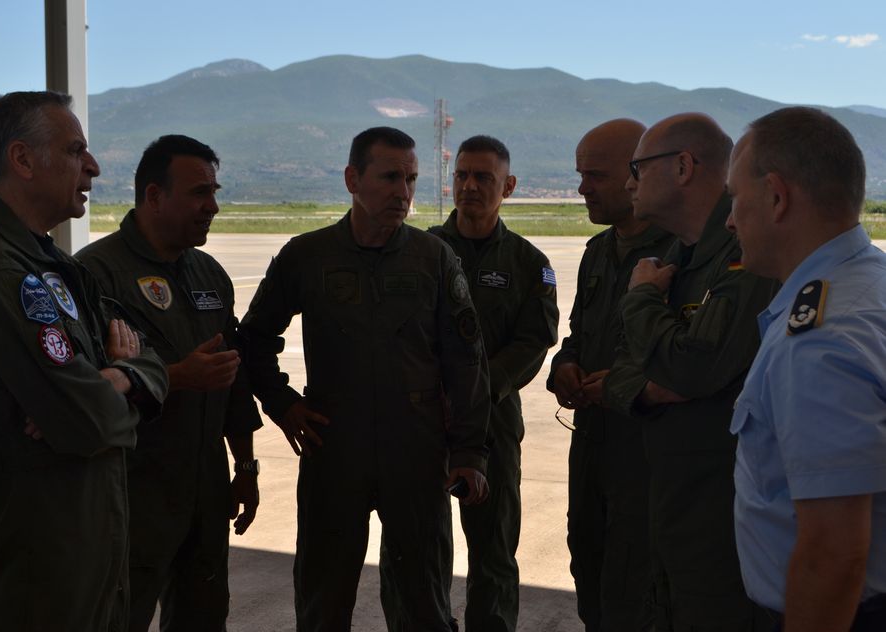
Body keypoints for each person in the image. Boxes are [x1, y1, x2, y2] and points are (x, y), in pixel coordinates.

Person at [238, 126, 491, 632]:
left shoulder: (434, 258)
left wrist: (469, 452)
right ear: (353, 179)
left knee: (424, 601)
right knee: (323, 601)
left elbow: (467, 361)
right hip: (334, 449)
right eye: (390, 177)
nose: (403, 192)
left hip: (416, 453)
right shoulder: (307, 256)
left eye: (411, 180)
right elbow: (253, 339)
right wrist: (283, 403)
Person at [0, 91, 168, 631]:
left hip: (86, 548)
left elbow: (152, 358)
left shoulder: (49, 263)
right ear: (22, 160)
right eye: (75, 150)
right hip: (42, 566)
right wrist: (106, 391)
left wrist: (118, 377)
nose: (93, 166)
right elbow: (86, 424)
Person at [76, 135, 262, 632]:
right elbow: (85, 391)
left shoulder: (209, 274)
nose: (213, 207)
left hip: (206, 491)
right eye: (200, 193)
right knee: (119, 616)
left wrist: (245, 467)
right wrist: (178, 377)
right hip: (132, 495)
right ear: (155, 196)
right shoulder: (96, 274)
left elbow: (234, 381)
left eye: (214, 192)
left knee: (204, 616)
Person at [601, 113, 776, 630]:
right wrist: (650, 384)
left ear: (682, 167)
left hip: (725, 515)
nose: (629, 183)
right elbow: (622, 364)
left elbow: (693, 368)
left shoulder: (744, 254)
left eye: (638, 168)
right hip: (674, 502)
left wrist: (641, 302)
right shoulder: (675, 256)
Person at [725, 106, 886, 631]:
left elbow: (833, 555)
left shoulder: (819, 341)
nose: (730, 221)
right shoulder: (871, 281)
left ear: (776, 197)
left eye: (735, 199)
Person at [421, 135, 559, 631]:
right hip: (424, 417)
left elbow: (534, 342)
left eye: (484, 177)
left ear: (509, 186)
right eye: (462, 175)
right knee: (417, 547)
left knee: (494, 550)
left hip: (493, 424)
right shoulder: (420, 251)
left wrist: (477, 394)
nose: (470, 186)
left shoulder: (528, 263)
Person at [547, 118, 675, 631]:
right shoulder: (598, 251)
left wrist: (623, 385)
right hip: (593, 448)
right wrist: (563, 366)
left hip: (647, 455)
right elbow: (578, 334)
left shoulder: (679, 254)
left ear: (634, 174)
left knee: (637, 585)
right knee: (590, 565)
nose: (583, 188)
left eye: (594, 175)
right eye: (581, 175)